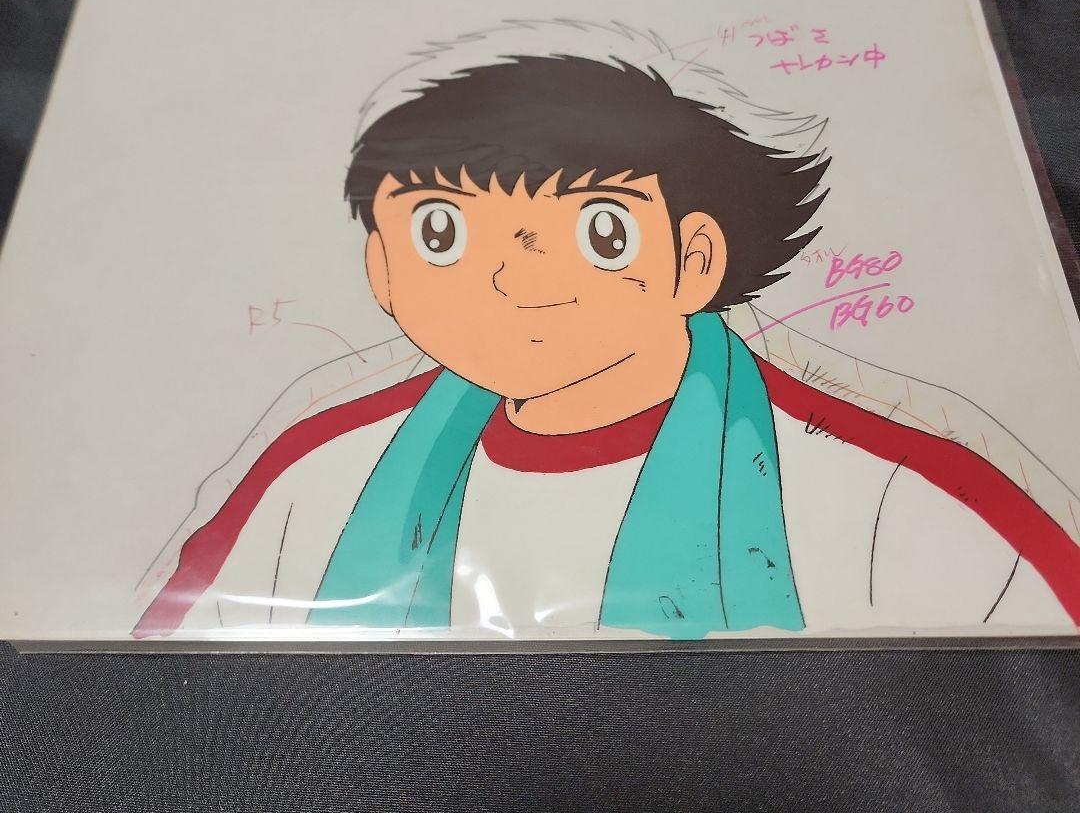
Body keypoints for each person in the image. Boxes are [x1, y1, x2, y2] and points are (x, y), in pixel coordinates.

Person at [135, 55, 1080, 640]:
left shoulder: (897, 495)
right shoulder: (317, 476)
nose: (512, 277)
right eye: (440, 232)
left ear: (695, 260)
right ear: (380, 269)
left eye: (601, 231)